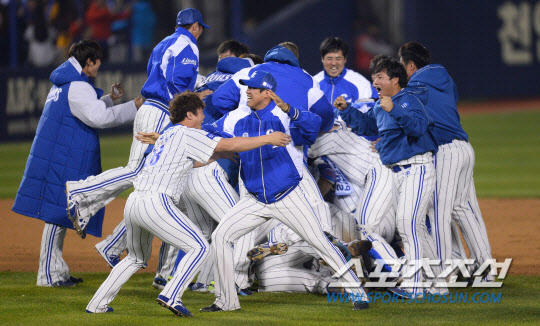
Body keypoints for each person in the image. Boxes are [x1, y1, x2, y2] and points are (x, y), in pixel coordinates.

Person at [85, 91, 291, 316]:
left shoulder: (167, 134)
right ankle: (172, 295)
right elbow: (230, 144)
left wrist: (220, 157)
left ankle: (97, 304)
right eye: (200, 112)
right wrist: (267, 139)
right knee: (200, 246)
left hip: (134, 203)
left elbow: (191, 163)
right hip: (155, 202)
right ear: (189, 114)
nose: (203, 117)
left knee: (135, 258)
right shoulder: (187, 133)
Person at [200, 70, 369, 312]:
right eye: (247, 87)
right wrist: (169, 136)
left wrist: (290, 108)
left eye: (253, 88)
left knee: (320, 242)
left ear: (267, 93)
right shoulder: (239, 117)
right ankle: (226, 300)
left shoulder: (284, 115)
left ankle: (357, 293)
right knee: (221, 237)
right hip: (256, 200)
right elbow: (209, 130)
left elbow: (313, 126)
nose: (247, 91)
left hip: (289, 196)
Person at [66, 8, 209, 241]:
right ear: (195, 27)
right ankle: (81, 191)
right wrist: (187, 103)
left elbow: (161, 75)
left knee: (140, 172)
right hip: (162, 110)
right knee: (138, 170)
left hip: (151, 108)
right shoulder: (189, 44)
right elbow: (176, 81)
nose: (200, 33)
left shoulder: (163, 43)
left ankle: (86, 205)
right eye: (200, 29)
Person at [12, 40, 141, 287]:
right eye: (98, 60)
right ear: (88, 62)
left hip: (57, 153)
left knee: (59, 213)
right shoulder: (77, 86)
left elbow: (87, 109)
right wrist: (133, 107)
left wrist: (110, 100)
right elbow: (98, 118)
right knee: (55, 214)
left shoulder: (66, 83)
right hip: (62, 155)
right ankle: (48, 275)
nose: (100, 64)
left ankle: (56, 272)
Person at [335, 55, 438, 297]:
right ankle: (437, 280)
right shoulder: (381, 105)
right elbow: (367, 126)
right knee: (414, 228)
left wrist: (395, 110)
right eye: (373, 78)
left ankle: (414, 287)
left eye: (380, 77)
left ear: (395, 79)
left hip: (417, 168)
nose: (375, 82)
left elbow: (417, 128)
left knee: (407, 225)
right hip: (397, 173)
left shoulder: (408, 100)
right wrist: (347, 110)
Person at [398, 41, 493, 278]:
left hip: (445, 151)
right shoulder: (445, 78)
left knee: (440, 213)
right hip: (464, 149)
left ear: (410, 65)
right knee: (464, 209)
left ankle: (443, 273)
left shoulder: (416, 85)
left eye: (401, 64)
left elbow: (404, 106)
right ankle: (486, 270)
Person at [314, 37, 378, 116]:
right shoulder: (313, 84)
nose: (334, 63)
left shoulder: (361, 84)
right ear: (322, 59)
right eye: (329, 58)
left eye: (338, 58)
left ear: (345, 59)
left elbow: (376, 113)